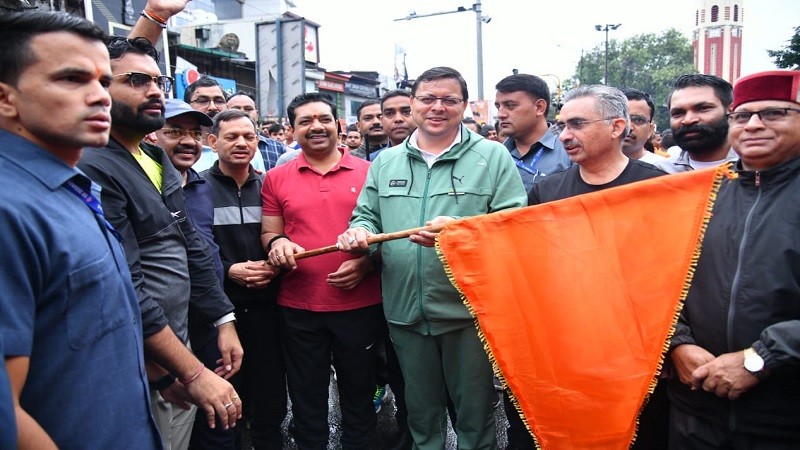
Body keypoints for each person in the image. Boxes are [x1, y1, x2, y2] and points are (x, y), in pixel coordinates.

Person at [337, 66, 527, 449]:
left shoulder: (491, 156)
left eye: (449, 100)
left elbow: (513, 226)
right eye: (428, 99)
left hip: (468, 315)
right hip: (404, 313)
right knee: (421, 416)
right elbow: (366, 215)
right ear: (413, 104)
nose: (437, 107)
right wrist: (360, 235)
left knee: (475, 417)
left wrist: (459, 232)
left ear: (464, 105)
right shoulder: (387, 161)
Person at [0, 11, 161, 448]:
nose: (99, 96)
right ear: (6, 98)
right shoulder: (10, 210)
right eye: (72, 79)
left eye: (103, 81)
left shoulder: (73, 189)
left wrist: (155, 377)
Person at [77, 35, 243, 449]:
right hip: (135, 359)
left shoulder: (153, 160)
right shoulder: (95, 166)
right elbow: (125, 284)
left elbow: (192, 246)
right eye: (136, 80)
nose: (154, 90)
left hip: (174, 348)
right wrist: (188, 371)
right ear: (97, 86)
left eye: (158, 81)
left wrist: (223, 320)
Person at [528, 85, 667, 450]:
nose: (564, 135)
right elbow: (525, 257)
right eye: (561, 125)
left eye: (577, 124)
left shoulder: (659, 188)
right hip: (570, 345)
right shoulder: (547, 193)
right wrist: (459, 233)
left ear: (617, 126)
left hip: (638, 347)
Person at [668, 70, 800, 449]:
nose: (753, 125)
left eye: (774, 113)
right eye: (742, 116)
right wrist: (678, 344)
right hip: (694, 413)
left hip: (783, 418)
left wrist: (761, 358)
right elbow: (657, 280)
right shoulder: (697, 195)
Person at [261, 92, 383, 449]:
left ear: (338, 126)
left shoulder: (370, 172)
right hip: (298, 306)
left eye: (324, 119)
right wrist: (277, 244)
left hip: (360, 305)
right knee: (306, 396)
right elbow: (270, 232)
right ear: (292, 130)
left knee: (359, 393)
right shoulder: (275, 178)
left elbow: (385, 231)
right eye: (305, 121)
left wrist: (367, 262)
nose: (316, 127)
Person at [147, 99, 236, 449]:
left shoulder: (202, 187)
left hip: (206, 319)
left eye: (194, 134)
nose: (187, 141)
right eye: (174, 132)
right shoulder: (139, 186)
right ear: (152, 136)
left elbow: (203, 252)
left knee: (217, 418)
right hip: (160, 328)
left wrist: (224, 319)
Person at [202, 109, 287, 449]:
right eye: (231, 137)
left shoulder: (269, 187)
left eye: (249, 137)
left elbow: (285, 236)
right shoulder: (197, 188)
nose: (241, 143)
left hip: (269, 308)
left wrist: (275, 266)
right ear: (213, 142)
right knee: (226, 398)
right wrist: (228, 269)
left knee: (270, 395)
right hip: (221, 312)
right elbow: (195, 249)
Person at [495, 73, 573, 192]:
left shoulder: (570, 152)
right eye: (498, 107)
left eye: (510, 106)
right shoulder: (494, 156)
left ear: (539, 107)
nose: (500, 114)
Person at [657, 74, 738, 173]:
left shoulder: (752, 170)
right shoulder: (657, 173)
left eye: (703, 108)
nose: (688, 120)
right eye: (678, 113)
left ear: (731, 112)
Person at [227, 92, 285, 170]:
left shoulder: (278, 148)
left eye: (248, 109)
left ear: (257, 114)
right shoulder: (219, 147)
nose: (242, 112)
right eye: (236, 109)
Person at [621, 88, 667, 164]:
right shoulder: (598, 166)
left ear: (650, 130)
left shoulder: (663, 168)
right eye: (621, 119)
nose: (629, 127)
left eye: (638, 120)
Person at [368, 90, 415, 162]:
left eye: (406, 112)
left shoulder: (432, 156)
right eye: (389, 113)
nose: (398, 119)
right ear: (382, 120)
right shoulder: (372, 161)